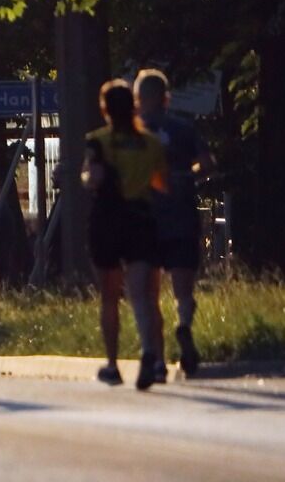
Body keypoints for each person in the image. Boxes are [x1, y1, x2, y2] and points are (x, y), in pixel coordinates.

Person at [85, 79, 168, 389]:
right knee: (141, 294)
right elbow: (162, 184)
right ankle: (149, 352)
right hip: (141, 221)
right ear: (133, 106)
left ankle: (112, 364)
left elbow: (94, 179)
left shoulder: (98, 141)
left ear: (104, 108)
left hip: (107, 221)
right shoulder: (152, 144)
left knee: (109, 297)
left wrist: (86, 178)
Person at [135, 69, 214, 377]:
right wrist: (186, 174)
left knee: (148, 291)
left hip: (146, 218)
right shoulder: (184, 128)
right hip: (181, 213)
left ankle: (155, 357)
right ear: (166, 98)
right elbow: (207, 164)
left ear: (140, 99)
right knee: (183, 287)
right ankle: (183, 325)